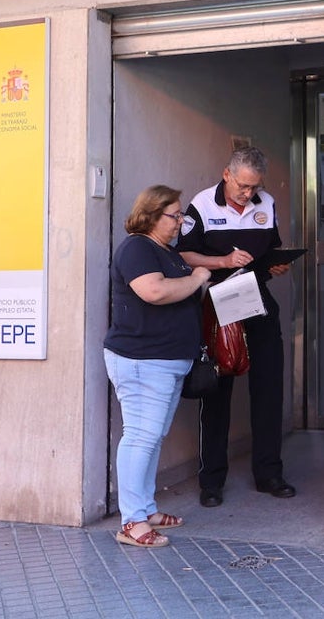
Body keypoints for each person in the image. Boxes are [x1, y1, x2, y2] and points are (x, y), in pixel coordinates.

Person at [178, 146, 295, 507]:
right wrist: (223, 260)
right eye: (243, 186)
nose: (248, 194)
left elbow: (271, 248)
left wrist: (277, 265)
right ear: (227, 174)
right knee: (217, 392)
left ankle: (269, 473)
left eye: (254, 187)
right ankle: (211, 481)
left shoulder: (266, 202)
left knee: (268, 389)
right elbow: (184, 254)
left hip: (257, 300)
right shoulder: (202, 204)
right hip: (219, 303)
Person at [104, 184, 210, 548]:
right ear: (151, 215)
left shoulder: (166, 250)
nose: (181, 221)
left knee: (151, 437)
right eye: (174, 215)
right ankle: (131, 522)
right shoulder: (137, 247)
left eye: (181, 214)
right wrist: (196, 278)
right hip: (141, 360)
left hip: (165, 360)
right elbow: (154, 292)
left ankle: (145, 508)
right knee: (140, 436)